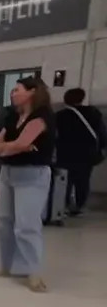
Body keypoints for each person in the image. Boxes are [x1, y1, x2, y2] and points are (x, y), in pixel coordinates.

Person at [0, 77, 55, 292]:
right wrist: (12, 147)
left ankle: (33, 272)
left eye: (17, 90)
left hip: (32, 174)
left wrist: (10, 147)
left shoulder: (42, 117)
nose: (13, 93)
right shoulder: (12, 117)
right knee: (4, 220)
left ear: (32, 92)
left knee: (26, 224)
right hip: (8, 172)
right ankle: (6, 265)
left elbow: (22, 143)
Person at [54, 87, 106, 216]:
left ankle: (64, 205)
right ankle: (79, 206)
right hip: (86, 154)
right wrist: (102, 148)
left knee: (65, 180)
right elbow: (102, 133)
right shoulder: (94, 113)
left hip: (65, 153)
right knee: (83, 180)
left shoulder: (59, 116)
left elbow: (54, 136)